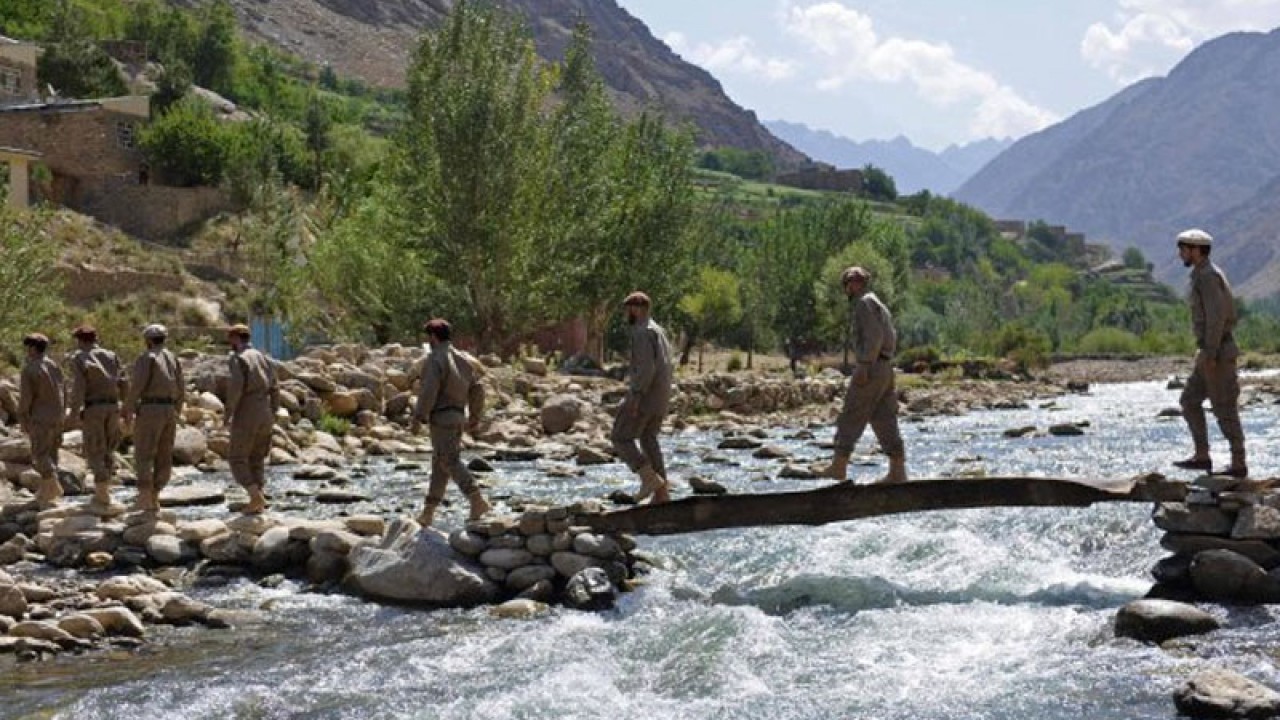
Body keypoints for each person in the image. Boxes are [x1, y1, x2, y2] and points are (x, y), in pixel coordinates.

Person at [817, 266, 907, 484]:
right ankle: (897, 471)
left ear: (855, 284)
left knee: (852, 412)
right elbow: (889, 335)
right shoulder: (877, 303)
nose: (850, 286)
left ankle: (839, 466)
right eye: (849, 282)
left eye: (852, 282)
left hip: (872, 366)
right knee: (884, 417)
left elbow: (874, 337)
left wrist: (864, 365)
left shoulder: (863, 303)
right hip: (885, 367)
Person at [1172, 229, 1247, 477]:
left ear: (1196, 250)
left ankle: (1238, 463)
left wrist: (1212, 354)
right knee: (1189, 401)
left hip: (1217, 353)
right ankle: (1202, 455)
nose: (1180, 253)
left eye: (1184, 248)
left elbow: (1216, 318)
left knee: (1224, 407)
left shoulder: (1207, 276)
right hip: (1208, 352)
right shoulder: (1202, 275)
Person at [409, 318, 491, 527]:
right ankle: (428, 512)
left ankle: (476, 498)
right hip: (457, 417)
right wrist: (475, 415)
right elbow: (477, 388)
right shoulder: (464, 359)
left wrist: (419, 417)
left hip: (441, 418)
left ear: (433, 337)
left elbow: (428, 392)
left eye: (428, 337)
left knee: (449, 461)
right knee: (440, 464)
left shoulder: (435, 359)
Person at [610, 291, 675, 504]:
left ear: (638, 309)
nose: (627, 313)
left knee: (620, 437)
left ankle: (648, 479)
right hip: (661, 396)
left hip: (645, 395)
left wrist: (636, 397)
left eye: (629, 309)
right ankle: (662, 494)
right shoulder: (659, 330)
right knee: (648, 439)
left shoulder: (642, 332)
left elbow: (647, 368)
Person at [123, 324, 184, 512]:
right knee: (164, 455)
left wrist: (127, 409)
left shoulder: (147, 357)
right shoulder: (173, 358)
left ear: (148, 340)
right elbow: (181, 388)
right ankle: (155, 495)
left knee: (144, 452)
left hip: (150, 409)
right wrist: (178, 410)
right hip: (169, 410)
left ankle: (143, 497)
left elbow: (137, 386)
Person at [67, 325, 126, 510]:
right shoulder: (111, 355)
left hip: (94, 409)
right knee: (109, 449)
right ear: (95, 338)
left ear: (80, 340)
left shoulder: (79, 357)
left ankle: (102, 497)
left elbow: (79, 387)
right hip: (113, 407)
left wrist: (73, 413)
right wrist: (127, 407)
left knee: (94, 450)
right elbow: (124, 381)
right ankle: (106, 491)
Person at [224, 323, 279, 515]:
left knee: (237, 458)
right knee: (257, 458)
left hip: (247, 410)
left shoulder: (238, 359)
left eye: (230, 339)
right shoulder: (264, 357)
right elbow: (275, 387)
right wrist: (273, 411)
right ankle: (260, 497)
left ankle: (255, 496)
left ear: (235, 339)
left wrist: (228, 412)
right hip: (265, 410)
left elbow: (236, 388)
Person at [18, 333, 65, 508]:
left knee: (40, 454)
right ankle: (46, 494)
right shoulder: (54, 366)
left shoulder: (30, 368)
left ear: (32, 348)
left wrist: (22, 417)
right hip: (57, 416)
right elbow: (63, 392)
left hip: (40, 417)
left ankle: (54, 486)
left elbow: (26, 398)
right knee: (52, 453)